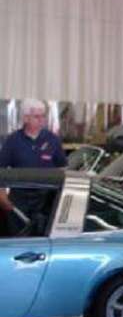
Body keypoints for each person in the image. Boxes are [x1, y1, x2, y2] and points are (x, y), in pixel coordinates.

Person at [0, 99, 67, 234]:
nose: (42, 120)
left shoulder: (53, 139)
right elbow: (1, 169)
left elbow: (63, 168)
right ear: (25, 118)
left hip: (46, 199)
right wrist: (1, 195)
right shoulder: (13, 140)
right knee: (18, 235)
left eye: (43, 116)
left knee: (42, 236)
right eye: (37, 116)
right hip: (19, 199)